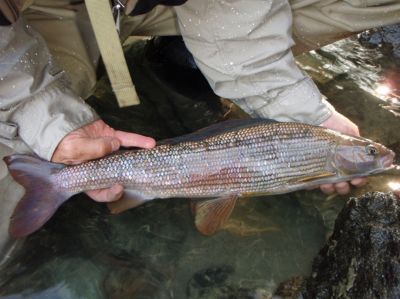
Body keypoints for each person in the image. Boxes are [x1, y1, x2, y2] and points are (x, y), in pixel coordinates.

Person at [0, 0, 399, 261]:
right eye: (369, 153)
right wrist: (45, 117)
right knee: (19, 133)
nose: (379, 157)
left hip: (154, 5)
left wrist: (306, 111)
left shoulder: (325, 148)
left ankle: (181, 57)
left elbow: (233, 13)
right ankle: (50, 180)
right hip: (32, 16)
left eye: (368, 153)